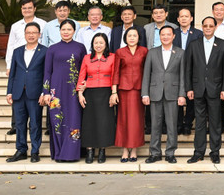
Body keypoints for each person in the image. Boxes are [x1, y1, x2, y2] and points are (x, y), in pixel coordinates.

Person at [185, 16, 224, 164]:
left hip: (215, 89)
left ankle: (215, 152)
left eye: (211, 25)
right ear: (202, 27)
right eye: (205, 26)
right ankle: (198, 152)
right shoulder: (193, 44)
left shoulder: (223, 45)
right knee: (199, 123)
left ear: (215, 27)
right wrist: (188, 88)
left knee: (216, 123)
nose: (208, 28)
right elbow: (188, 69)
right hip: (197, 89)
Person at [42, 19, 86, 162]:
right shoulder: (52, 49)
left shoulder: (80, 47)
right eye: (63, 29)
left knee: (74, 119)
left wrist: (83, 87)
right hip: (55, 92)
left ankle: (72, 153)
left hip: (73, 91)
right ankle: (59, 153)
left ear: (74, 31)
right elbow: (47, 71)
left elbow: (83, 69)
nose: (66, 32)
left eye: (69, 29)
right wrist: (46, 92)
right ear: (59, 31)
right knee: (57, 120)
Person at [141, 25, 186, 164]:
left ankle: (170, 153)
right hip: (155, 93)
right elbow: (146, 74)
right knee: (155, 125)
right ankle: (154, 153)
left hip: (173, 93)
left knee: (172, 125)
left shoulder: (180, 52)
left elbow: (183, 75)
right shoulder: (152, 52)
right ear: (159, 37)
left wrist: (182, 94)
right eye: (163, 35)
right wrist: (145, 93)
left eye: (168, 34)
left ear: (173, 36)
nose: (165, 37)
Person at [5, 22, 46, 163]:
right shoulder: (17, 51)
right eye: (28, 32)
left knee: (35, 123)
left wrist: (43, 92)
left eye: (34, 32)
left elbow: (46, 74)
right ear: (24, 34)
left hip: (35, 94)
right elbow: (13, 74)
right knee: (20, 123)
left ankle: (35, 151)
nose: (31, 35)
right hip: (18, 93)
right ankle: (21, 150)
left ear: (39, 34)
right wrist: (9, 91)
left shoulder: (45, 51)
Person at [5, 0, 46, 136]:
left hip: (36, 64)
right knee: (17, 95)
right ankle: (15, 126)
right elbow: (10, 46)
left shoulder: (43, 24)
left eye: (29, 7)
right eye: (24, 8)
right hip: (19, 64)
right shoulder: (16, 26)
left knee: (34, 116)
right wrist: (9, 65)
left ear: (34, 9)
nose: (27, 10)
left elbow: (45, 43)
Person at [77, 33, 117, 163]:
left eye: (101, 43)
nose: (98, 45)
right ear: (92, 44)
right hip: (90, 93)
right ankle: (89, 151)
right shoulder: (87, 58)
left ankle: (102, 150)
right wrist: (80, 94)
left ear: (106, 44)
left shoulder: (112, 57)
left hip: (106, 93)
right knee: (89, 123)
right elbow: (82, 76)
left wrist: (113, 93)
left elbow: (114, 76)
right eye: (96, 43)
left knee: (104, 123)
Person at [113, 26, 147, 162]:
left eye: (134, 35)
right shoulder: (120, 52)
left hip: (139, 90)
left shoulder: (144, 51)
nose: (132, 38)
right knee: (123, 120)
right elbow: (115, 72)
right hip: (124, 90)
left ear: (139, 38)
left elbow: (147, 70)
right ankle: (125, 150)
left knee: (137, 121)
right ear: (125, 38)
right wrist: (114, 91)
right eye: (129, 36)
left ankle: (134, 150)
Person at [175, 8, 202, 135]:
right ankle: (179, 124)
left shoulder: (198, 34)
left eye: (187, 16)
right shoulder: (173, 33)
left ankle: (188, 124)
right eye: (182, 16)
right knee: (178, 97)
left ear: (191, 18)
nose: (184, 18)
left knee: (191, 99)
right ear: (178, 19)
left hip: (193, 70)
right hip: (175, 70)